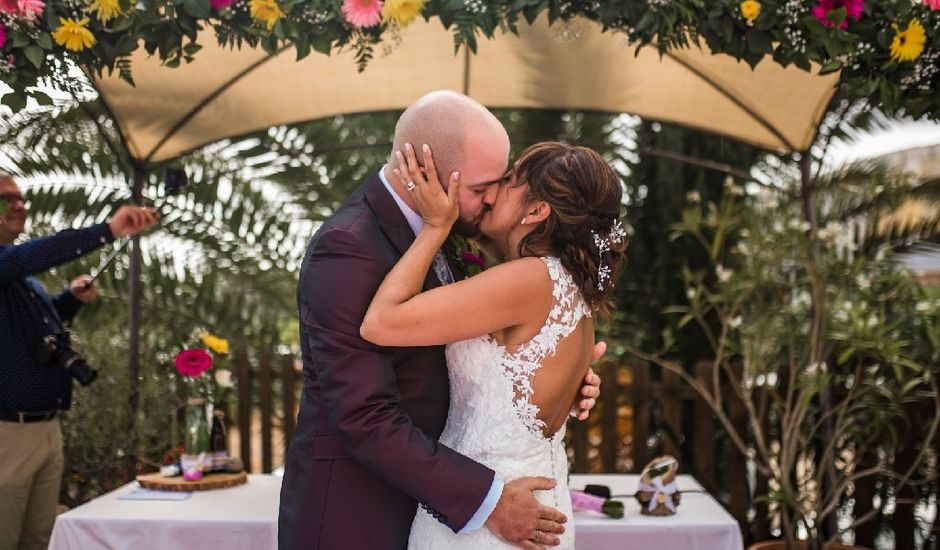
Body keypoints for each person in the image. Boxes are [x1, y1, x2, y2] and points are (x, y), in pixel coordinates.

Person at [278, 91, 602, 550]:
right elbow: (362, 413)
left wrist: (551, 378)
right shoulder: (349, 245)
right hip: (359, 511)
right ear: (424, 171)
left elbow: (487, 344)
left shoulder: (448, 229)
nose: (490, 200)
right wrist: (488, 501)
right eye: (480, 188)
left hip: (434, 503)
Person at [360, 140, 627, 549]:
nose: (492, 190)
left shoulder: (528, 279)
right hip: (533, 501)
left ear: (537, 211)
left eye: (509, 179)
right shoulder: (570, 289)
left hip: (489, 516)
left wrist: (435, 227)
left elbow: (381, 323)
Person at [0, 173, 158, 550]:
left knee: (37, 539)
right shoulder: (12, 265)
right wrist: (107, 230)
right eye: (7, 199)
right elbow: (35, 254)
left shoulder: (22, 280)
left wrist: (69, 299)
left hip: (46, 428)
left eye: (22, 198)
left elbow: (37, 324)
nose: (19, 205)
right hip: (8, 433)